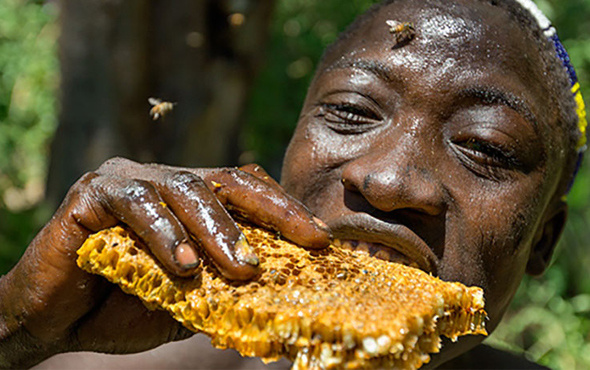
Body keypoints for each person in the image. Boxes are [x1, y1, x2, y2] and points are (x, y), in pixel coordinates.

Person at [0, 0, 586, 368]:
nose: (386, 180)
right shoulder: (115, 358)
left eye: (485, 146)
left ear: (542, 241)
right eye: (354, 112)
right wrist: (18, 327)